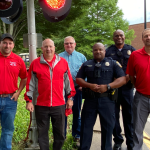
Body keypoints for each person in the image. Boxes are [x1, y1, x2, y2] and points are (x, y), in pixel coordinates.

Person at [24, 39, 76, 150]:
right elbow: (30, 84)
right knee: (42, 134)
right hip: (41, 105)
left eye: (50, 46)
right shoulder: (35, 64)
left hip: (59, 104)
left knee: (60, 134)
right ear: (42, 48)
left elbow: (69, 83)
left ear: (54, 47)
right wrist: (29, 100)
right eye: (46, 47)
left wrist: (70, 98)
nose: (48, 49)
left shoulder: (63, 62)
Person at [76, 43, 126, 150]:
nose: (98, 51)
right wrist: (89, 85)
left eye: (100, 49)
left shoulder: (113, 63)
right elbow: (78, 79)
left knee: (108, 129)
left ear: (105, 51)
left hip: (107, 100)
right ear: (93, 51)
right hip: (90, 100)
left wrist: (108, 86)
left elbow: (122, 79)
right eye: (95, 50)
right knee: (86, 127)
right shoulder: (86, 64)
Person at [105, 29, 136, 150]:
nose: (119, 37)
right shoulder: (108, 51)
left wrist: (129, 76)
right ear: (113, 38)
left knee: (129, 116)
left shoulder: (132, 50)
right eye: (116, 36)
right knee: (114, 116)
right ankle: (117, 140)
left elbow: (134, 66)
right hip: (114, 89)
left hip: (127, 89)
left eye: (121, 35)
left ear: (124, 37)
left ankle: (131, 143)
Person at [0, 33, 27, 150]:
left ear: (13, 45)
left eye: (10, 43)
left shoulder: (18, 60)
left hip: (10, 100)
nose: (7, 45)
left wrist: (18, 92)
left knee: (7, 129)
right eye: (5, 43)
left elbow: (24, 78)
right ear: (0, 44)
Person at [59, 36, 87, 143]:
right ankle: (62, 136)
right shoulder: (59, 57)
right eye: (67, 43)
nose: (69, 45)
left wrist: (83, 84)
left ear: (75, 44)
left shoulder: (81, 57)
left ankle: (76, 135)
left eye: (71, 43)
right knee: (62, 113)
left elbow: (86, 72)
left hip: (77, 89)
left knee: (76, 112)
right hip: (62, 90)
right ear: (64, 45)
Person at [126, 28, 150, 150]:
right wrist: (138, 86)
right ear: (142, 39)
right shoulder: (135, 55)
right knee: (137, 128)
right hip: (141, 97)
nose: (148, 37)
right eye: (146, 36)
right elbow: (131, 75)